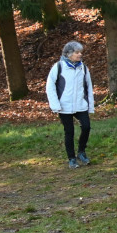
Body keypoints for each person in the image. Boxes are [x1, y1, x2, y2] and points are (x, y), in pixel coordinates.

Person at [46, 41, 95, 169]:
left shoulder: (83, 67)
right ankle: (72, 159)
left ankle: (81, 152)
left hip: (80, 105)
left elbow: (89, 87)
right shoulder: (58, 67)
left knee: (86, 127)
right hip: (64, 106)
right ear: (69, 54)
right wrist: (55, 105)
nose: (80, 55)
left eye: (80, 52)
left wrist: (90, 106)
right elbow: (50, 86)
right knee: (69, 132)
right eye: (77, 52)